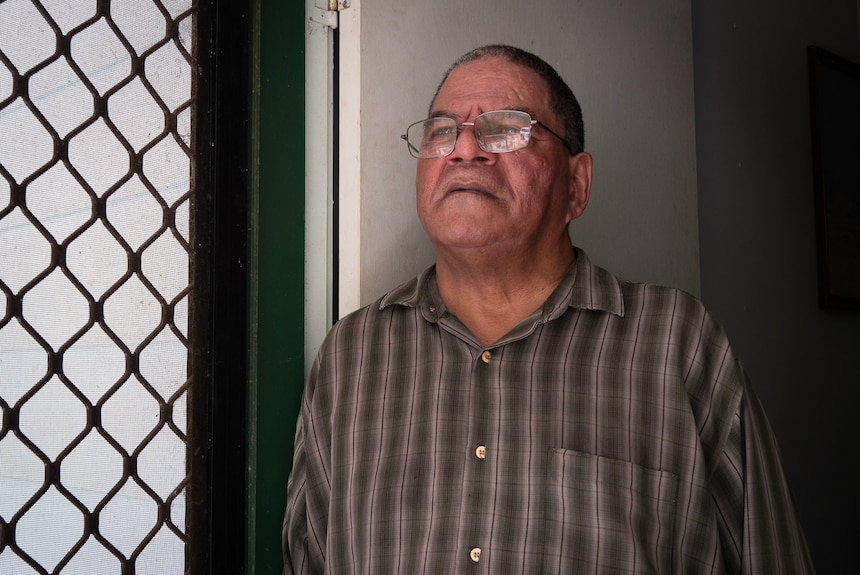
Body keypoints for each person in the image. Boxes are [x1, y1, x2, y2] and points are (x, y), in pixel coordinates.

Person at [283, 44, 813, 574]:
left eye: (506, 127)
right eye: (442, 130)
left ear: (576, 186)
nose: (465, 148)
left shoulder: (678, 343)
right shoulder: (351, 357)